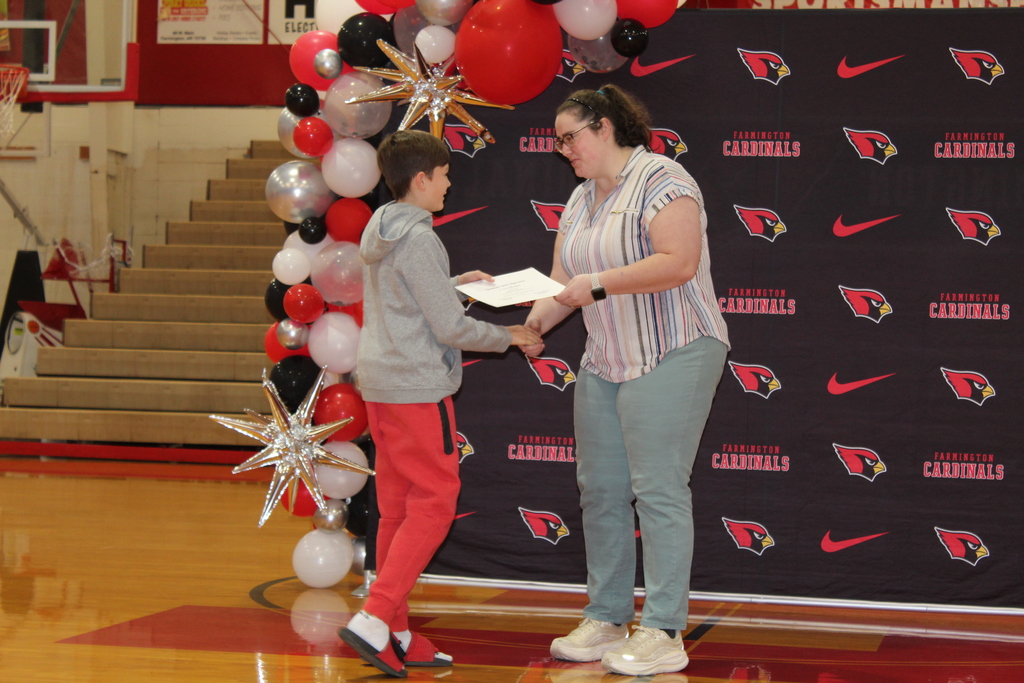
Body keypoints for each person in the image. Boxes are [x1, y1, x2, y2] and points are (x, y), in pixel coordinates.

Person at [523, 86, 730, 677]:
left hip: (676, 347)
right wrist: (528, 326)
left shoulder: (663, 178)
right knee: (600, 490)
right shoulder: (579, 197)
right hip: (606, 360)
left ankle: (663, 629)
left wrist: (597, 284)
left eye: (570, 137)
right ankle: (608, 616)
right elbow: (561, 282)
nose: (563, 149)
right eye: (558, 141)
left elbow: (678, 261)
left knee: (658, 488)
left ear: (606, 127)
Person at [339, 129, 541, 678]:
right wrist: (509, 336)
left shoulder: (382, 227)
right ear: (422, 178)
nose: (450, 185)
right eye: (446, 175)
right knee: (434, 502)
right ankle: (375, 616)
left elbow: (406, 298)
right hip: (416, 389)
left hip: (381, 385)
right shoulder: (420, 238)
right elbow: (450, 329)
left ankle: (395, 630)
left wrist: (452, 283)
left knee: (398, 508)